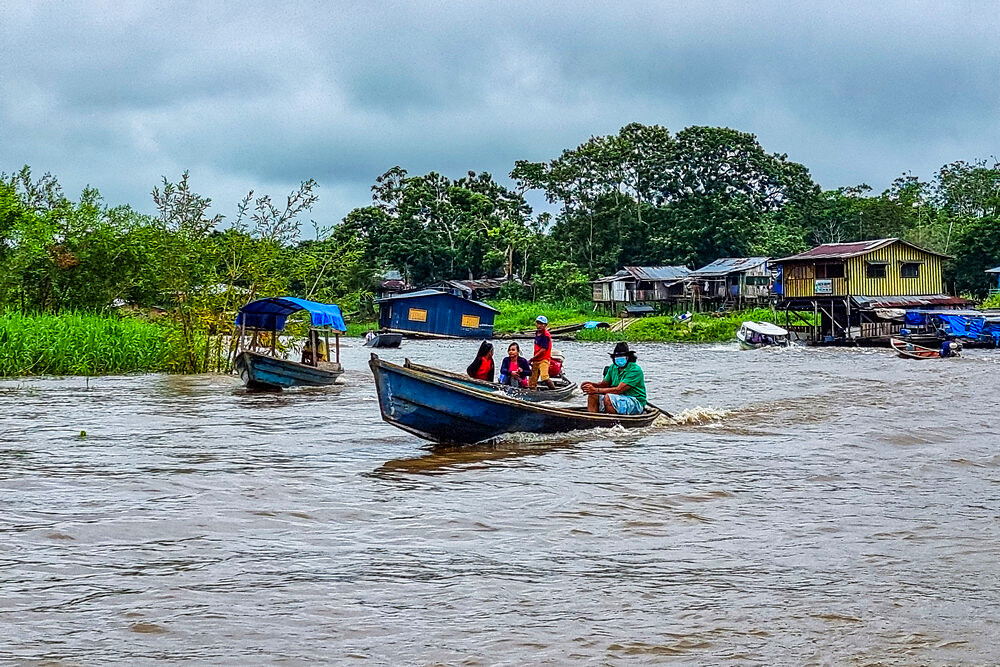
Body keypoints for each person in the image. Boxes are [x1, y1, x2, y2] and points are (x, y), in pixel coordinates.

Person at [581, 342, 647, 415]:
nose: (619, 359)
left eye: (622, 356)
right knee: (593, 395)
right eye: (617, 356)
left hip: (635, 401)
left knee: (608, 397)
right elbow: (604, 384)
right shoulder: (613, 367)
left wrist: (595, 389)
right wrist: (591, 385)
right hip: (618, 398)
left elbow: (619, 390)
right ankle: (592, 418)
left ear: (628, 357)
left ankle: (613, 422)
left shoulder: (635, 370)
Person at [529, 315, 556, 390]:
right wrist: (534, 359)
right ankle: (532, 391)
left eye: (542, 324)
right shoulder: (537, 333)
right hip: (536, 360)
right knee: (532, 380)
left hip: (544, 359)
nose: (539, 326)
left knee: (544, 377)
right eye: (538, 323)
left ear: (545, 325)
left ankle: (554, 390)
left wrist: (532, 359)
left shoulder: (545, 336)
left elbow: (543, 350)